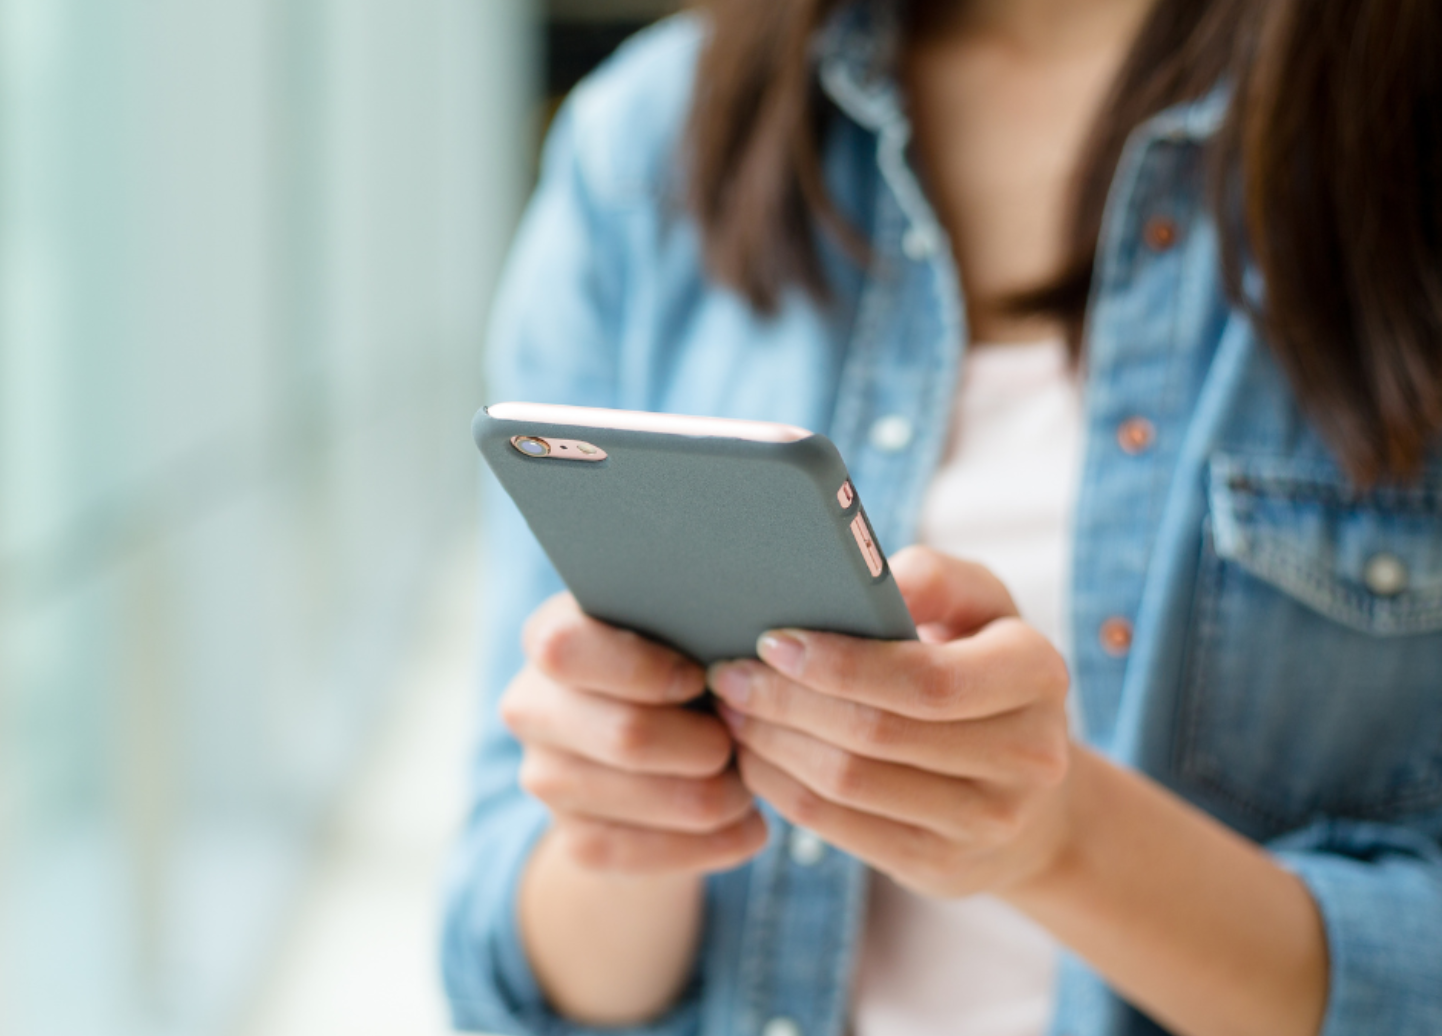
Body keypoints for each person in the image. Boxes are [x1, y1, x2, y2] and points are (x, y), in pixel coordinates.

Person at [443, 1, 1442, 1034]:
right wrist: (631, 818)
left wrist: (1061, 841)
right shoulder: (647, 139)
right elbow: (506, 968)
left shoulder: (1398, 129)